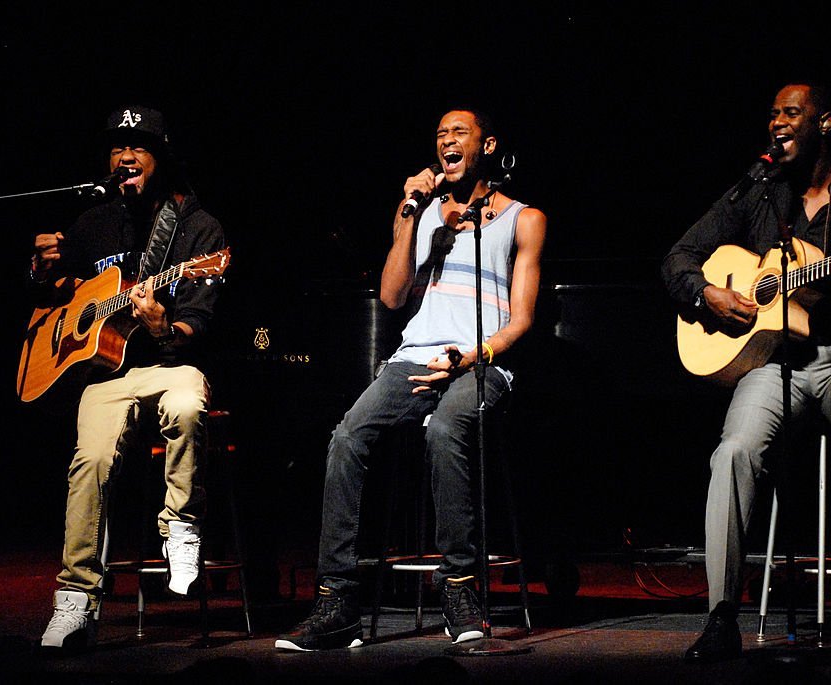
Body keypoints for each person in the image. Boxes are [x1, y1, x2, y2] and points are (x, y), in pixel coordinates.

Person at [275, 107, 547, 651]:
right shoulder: (423, 214)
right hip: (414, 357)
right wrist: (409, 217)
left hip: (482, 359)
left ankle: (460, 587)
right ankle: (337, 601)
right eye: (440, 134)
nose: (447, 141)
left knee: (445, 429)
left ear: (487, 145)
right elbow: (393, 297)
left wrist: (472, 357)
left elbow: (522, 320)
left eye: (459, 133)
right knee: (348, 436)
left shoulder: (524, 217)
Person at [661, 82, 831, 663]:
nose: (777, 122)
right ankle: (722, 614)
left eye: (791, 113)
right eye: (773, 113)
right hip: (775, 360)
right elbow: (678, 256)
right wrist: (706, 295)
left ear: (824, 124)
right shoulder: (759, 190)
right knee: (733, 453)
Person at [31, 105, 227, 651]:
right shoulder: (94, 221)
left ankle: (182, 525)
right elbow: (55, 294)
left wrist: (163, 325)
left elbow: (199, 327)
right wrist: (42, 269)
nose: (125, 157)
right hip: (106, 378)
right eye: (118, 147)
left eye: (138, 147)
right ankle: (74, 600)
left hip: (171, 366)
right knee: (89, 461)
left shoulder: (197, 230)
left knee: (188, 406)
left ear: (159, 158)